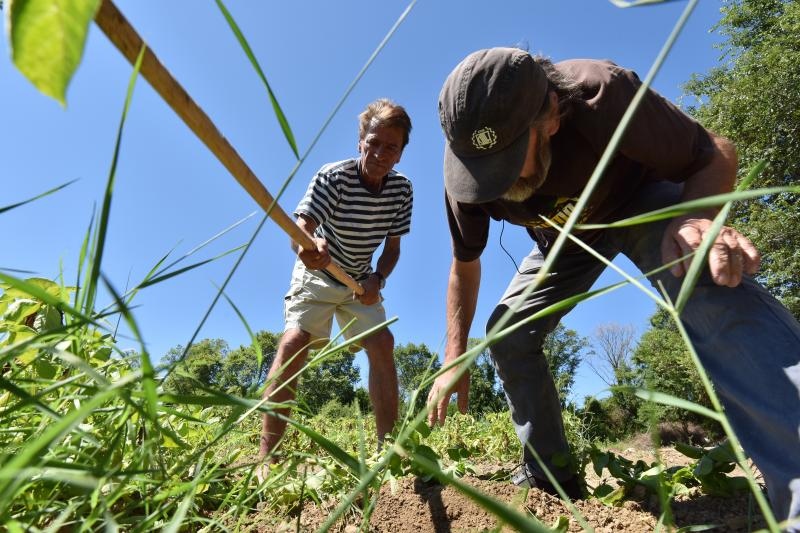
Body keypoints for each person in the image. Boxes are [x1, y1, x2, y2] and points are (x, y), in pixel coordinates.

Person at [427, 47, 800, 526]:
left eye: (508, 162)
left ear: (552, 118)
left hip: (639, 203)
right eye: (482, 171)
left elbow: (714, 152)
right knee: (508, 333)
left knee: (701, 273)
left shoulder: (601, 94)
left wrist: (696, 217)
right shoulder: (470, 171)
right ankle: (551, 481)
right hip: (563, 240)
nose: (493, 185)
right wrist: (454, 354)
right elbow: (465, 264)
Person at [259, 98, 413, 466]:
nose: (379, 153)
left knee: (383, 342)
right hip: (318, 273)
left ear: (400, 154)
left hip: (360, 280)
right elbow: (301, 230)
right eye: (373, 143)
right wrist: (307, 247)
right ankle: (268, 460)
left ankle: (388, 452)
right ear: (361, 141)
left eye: (390, 147)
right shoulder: (334, 177)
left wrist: (378, 277)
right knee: (294, 341)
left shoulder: (401, 190)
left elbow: (393, 247)